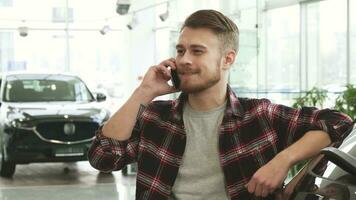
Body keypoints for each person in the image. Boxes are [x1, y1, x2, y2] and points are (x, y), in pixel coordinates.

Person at [88, 9, 354, 200]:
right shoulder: (156, 117)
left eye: (197, 51)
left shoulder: (259, 115)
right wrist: (143, 93)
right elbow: (103, 157)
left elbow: (338, 123)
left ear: (227, 59)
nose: (184, 60)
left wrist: (283, 162)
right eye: (180, 50)